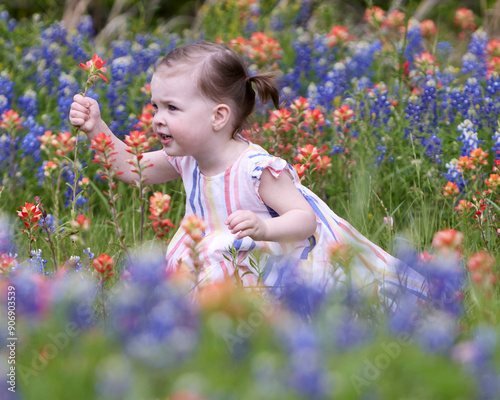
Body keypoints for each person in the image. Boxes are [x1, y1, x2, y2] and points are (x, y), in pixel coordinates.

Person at [70, 41, 427, 301]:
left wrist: (265, 228)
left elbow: (305, 220)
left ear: (218, 116)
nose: (158, 119)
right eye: (155, 106)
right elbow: (133, 171)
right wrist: (97, 128)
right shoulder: (187, 157)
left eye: (172, 108)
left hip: (270, 265)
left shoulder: (256, 168)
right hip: (212, 257)